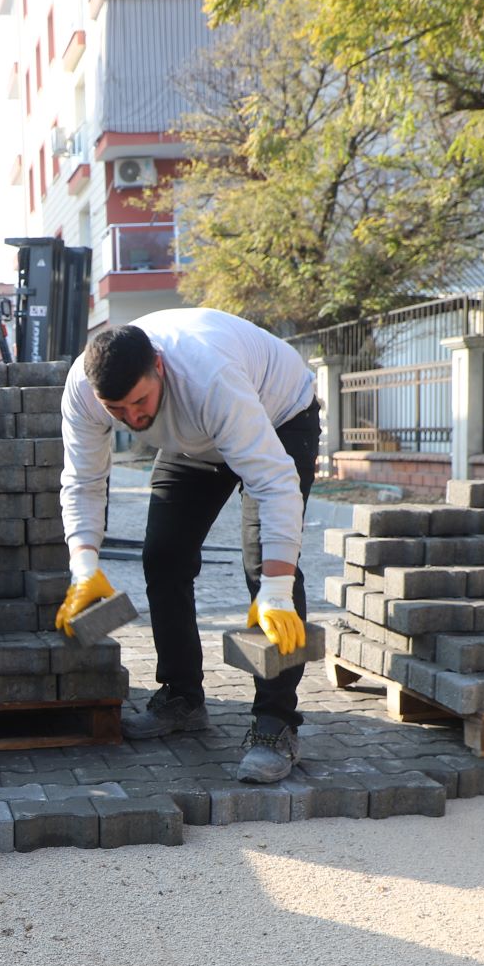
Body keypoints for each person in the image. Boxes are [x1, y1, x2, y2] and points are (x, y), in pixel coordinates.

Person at [53, 311, 319, 784]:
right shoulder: (82, 390)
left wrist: (276, 588)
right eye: (117, 411)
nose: (133, 419)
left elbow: (275, 484)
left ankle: (275, 724)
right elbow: (83, 481)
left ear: (159, 365)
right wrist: (84, 566)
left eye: (139, 402)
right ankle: (182, 697)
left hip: (279, 417)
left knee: (265, 569)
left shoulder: (207, 377)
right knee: (164, 556)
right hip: (194, 442)